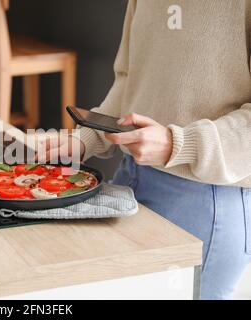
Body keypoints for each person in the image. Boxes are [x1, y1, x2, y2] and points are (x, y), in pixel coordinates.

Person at [47, 0, 251, 300]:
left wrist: (176, 144)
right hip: (129, 181)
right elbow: (130, 81)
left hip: (207, 201)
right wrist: (85, 139)